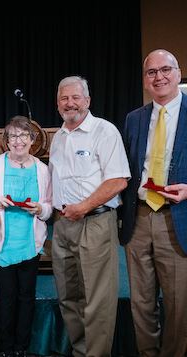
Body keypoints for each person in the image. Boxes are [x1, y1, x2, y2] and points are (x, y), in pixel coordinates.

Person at [49, 76, 130, 357]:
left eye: (75, 97)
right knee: (68, 297)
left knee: (97, 299)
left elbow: (118, 180)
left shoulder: (104, 132)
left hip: (95, 222)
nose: (70, 103)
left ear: (87, 101)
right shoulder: (58, 136)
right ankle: (80, 351)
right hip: (63, 225)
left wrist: (82, 206)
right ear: (58, 103)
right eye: (64, 99)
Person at [121, 49, 187, 356]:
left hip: (177, 219)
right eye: (151, 72)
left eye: (165, 70)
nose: (158, 77)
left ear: (177, 73)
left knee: (178, 303)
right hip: (139, 219)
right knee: (141, 301)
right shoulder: (134, 119)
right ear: (146, 80)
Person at [0, 116, 52, 357]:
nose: (18, 141)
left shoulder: (43, 170)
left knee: (26, 298)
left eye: (23, 136)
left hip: (30, 245)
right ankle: (4, 347)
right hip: (2, 246)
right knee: (6, 298)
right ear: (6, 140)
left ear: (32, 140)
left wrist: (41, 209)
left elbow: (50, 206)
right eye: (13, 136)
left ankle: (21, 347)